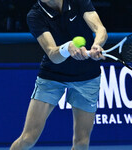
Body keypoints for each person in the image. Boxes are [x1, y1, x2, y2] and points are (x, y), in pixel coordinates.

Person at [10, 0, 107, 149]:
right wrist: (67, 47)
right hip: (52, 77)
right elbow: (52, 54)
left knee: (81, 143)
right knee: (28, 138)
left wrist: (96, 44)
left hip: (87, 77)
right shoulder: (35, 15)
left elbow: (100, 29)